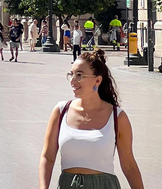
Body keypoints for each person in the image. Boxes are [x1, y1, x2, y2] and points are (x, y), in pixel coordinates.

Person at [38, 49, 144, 189]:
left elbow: (129, 165)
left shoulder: (117, 117)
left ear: (98, 80)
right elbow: (47, 157)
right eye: (71, 74)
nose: (73, 80)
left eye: (79, 75)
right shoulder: (61, 111)